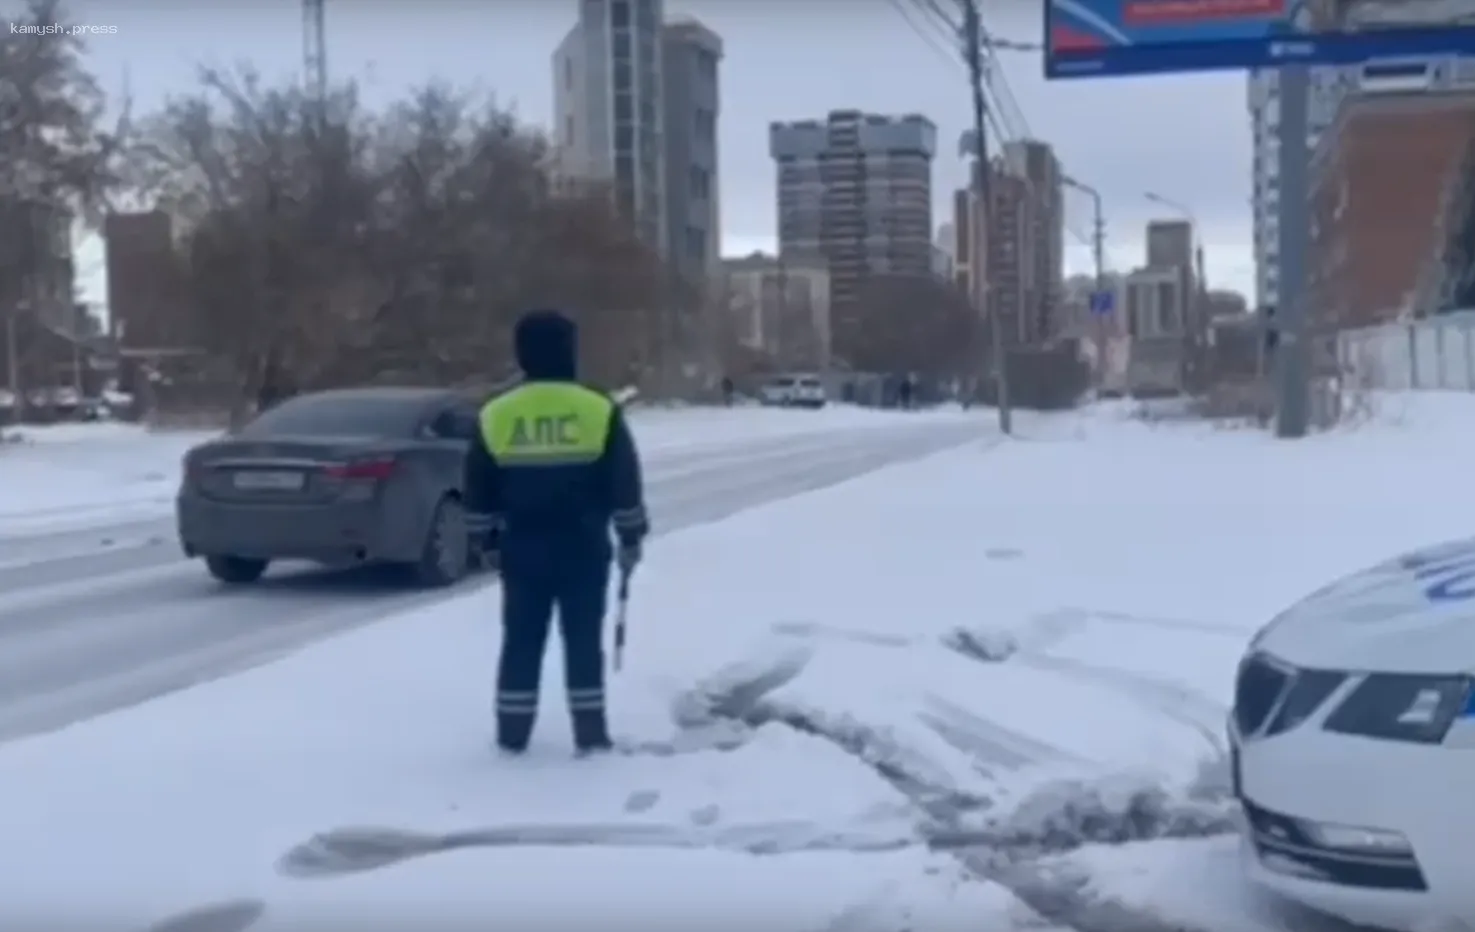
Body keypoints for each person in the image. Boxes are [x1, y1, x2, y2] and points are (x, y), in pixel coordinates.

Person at [463, 309, 649, 756]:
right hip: (584, 547)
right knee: (583, 641)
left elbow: (478, 488)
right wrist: (631, 537)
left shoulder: (497, 413)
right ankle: (589, 734)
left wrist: (484, 542)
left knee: (522, 642)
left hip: (522, 548)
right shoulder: (597, 409)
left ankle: (511, 736)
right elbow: (624, 483)